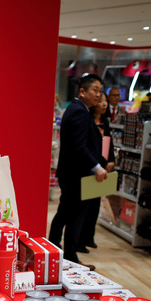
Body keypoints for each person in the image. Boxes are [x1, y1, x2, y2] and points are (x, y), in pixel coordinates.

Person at [48, 74, 108, 270]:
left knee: (64, 213)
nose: (98, 95)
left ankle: (54, 250)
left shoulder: (77, 109)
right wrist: (97, 167)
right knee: (74, 216)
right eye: (95, 90)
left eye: (100, 91)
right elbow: (79, 146)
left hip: (72, 174)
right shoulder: (79, 112)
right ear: (82, 91)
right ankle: (70, 257)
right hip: (77, 175)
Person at [80, 93, 116, 252]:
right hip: (89, 165)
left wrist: (111, 160)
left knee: (95, 204)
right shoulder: (87, 119)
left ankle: (89, 237)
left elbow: (110, 143)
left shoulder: (105, 122)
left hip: (102, 166)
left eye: (105, 101)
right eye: (101, 101)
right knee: (85, 205)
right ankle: (80, 239)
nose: (104, 104)